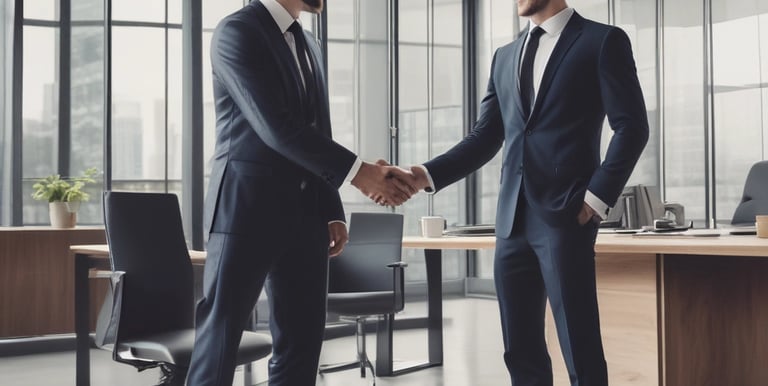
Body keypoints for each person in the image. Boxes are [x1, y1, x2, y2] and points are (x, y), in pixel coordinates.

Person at [389, 0, 649, 385]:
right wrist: (424, 174)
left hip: (566, 217)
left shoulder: (601, 41)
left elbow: (632, 127)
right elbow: (485, 137)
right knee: (519, 349)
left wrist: (594, 200)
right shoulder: (505, 55)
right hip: (511, 222)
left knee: (579, 346)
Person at [185, 0, 414, 385]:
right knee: (221, 339)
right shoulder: (237, 32)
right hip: (245, 211)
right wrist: (362, 174)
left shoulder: (310, 44)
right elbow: (275, 126)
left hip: (307, 216)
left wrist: (331, 208)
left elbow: (317, 130)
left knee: (301, 345)